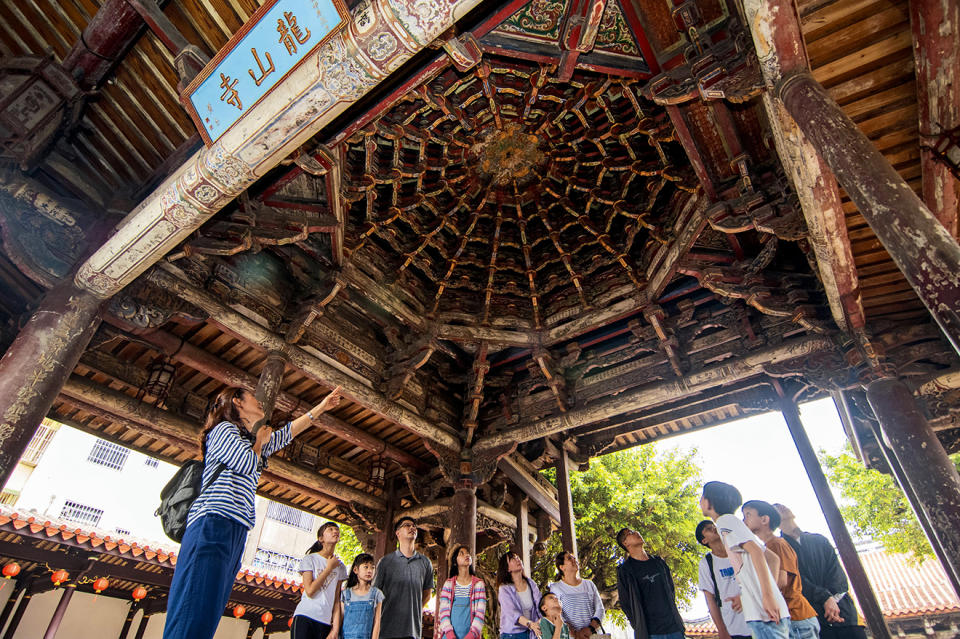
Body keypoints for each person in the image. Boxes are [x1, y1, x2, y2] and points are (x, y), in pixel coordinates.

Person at [163, 385, 341, 639]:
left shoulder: (247, 441)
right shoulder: (223, 429)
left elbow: (287, 433)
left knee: (210, 607)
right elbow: (247, 464)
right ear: (237, 402)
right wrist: (260, 441)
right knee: (194, 603)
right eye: (253, 399)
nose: (261, 403)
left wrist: (322, 407)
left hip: (235, 528)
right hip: (212, 522)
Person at [700, 481, 790, 639]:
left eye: (702, 497)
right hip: (759, 613)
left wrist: (767, 596)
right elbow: (773, 559)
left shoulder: (725, 522)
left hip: (764, 614)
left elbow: (756, 551)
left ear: (709, 502)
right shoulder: (730, 523)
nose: (700, 501)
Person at [773, 504, 866, 639]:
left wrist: (832, 600)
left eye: (782, 506)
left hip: (843, 612)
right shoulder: (778, 548)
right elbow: (794, 580)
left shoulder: (819, 539)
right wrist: (824, 598)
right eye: (777, 509)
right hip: (813, 617)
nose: (782, 508)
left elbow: (837, 574)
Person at [743, 501, 819, 639]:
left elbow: (781, 581)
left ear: (764, 519)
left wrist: (756, 595)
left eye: (748, 514)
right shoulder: (768, 546)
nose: (744, 520)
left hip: (796, 616)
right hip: (792, 617)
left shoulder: (776, 544)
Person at [615, 528, 685, 639]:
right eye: (631, 533)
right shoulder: (625, 571)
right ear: (625, 543)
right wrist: (639, 626)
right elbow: (626, 603)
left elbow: (671, 589)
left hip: (674, 628)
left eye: (635, 531)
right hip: (650, 633)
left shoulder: (659, 562)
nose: (637, 532)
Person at [373, 516, 434, 639]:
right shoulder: (385, 562)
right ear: (398, 533)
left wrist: (412, 609)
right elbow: (375, 594)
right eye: (407, 525)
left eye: (414, 526)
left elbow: (427, 594)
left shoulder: (425, 562)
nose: (412, 528)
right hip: (386, 629)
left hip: (412, 630)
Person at [695, 520, 752, 639]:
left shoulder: (739, 551)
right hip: (733, 628)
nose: (713, 528)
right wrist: (722, 630)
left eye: (713, 526)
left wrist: (744, 599)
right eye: (707, 529)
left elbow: (758, 582)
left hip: (757, 620)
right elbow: (710, 599)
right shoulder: (707, 563)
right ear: (704, 541)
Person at [292, 521, 349, 639]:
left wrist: (335, 630)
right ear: (321, 538)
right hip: (305, 615)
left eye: (336, 529)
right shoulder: (310, 559)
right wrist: (329, 568)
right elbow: (310, 591)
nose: (335, 531)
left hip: (325, 621)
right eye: (330, 529)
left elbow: (336, 600)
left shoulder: (341, 567)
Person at [549, 551, 604, 639]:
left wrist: (590, 629)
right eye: (569, 558)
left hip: (594, 635)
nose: (574, 560)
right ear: (562, 567)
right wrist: (575, 633)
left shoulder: (589, 584)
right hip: (571, 636)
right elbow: (556, 614)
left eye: (574, 558)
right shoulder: (555, 588)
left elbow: (600, 609)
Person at [437, 545, 487, 639]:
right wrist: (450, 635)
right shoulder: (448, 584)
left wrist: (470, 636)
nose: (467, 555)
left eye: (468, 553)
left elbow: (480, 614)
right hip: (449, 636)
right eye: (462, 553)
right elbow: (443, 612)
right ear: (455, 561)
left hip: (471, 636)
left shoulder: (478, 584)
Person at [497, 551, 542, 639]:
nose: (518, 559)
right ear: (507, 568)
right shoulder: (504, 588)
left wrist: (541, 621)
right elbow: (513, 614)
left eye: (518, 557)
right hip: (512, 634)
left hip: (532, 632)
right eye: (513, 559)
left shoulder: (531, 583)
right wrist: (530, 624)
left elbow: (540, 604)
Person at [341, 553, 385, 639]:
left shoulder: (376, 594)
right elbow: (340, 620)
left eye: (372, 567)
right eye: (366, 567)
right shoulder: (345, 594)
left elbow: (377, 622)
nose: (369, 571)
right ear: (355, 570)